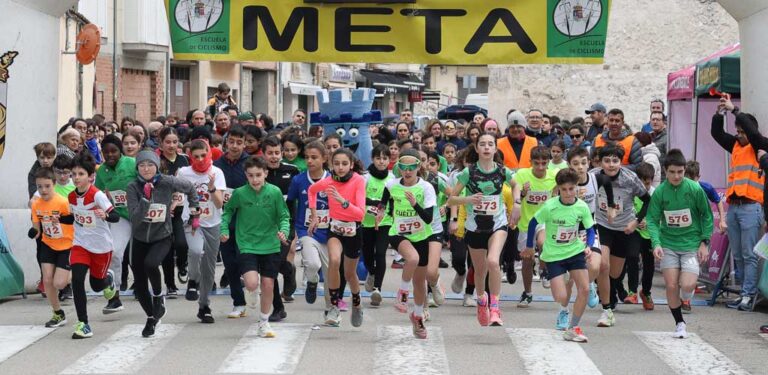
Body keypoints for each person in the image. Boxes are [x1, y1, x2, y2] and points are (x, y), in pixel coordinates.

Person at [127, 150, 199, 337]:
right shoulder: (133, 187)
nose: (146, 169)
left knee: (151, 264)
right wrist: (145, 199)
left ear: (157, 166)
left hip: (162, 236)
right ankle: (151, 317)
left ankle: (159, 296)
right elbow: (134, 219)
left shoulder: (168, 182)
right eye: (142, 165)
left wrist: (194, 208)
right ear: (137, 168)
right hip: (139, 238)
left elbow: (190, 187)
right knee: (140, 286)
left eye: (150, 165)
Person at [447, 133, 516, 326]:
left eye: (490, 144)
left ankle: (494, 307)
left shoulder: (503, 171)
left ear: (495, 149)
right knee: (479, 270)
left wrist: (517, 203)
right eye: (482, 144)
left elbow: (516, 185)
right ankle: (481, 300)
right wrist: (468, 200)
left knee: (493, 261)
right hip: (474, 227)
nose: (486, 147)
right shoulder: (468, 173)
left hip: (498, 224)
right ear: (477, 149)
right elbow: (451, 199)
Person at [221, 156, 290, 338]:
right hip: (247, 243)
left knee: (268, 284)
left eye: (258, 175)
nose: (255, 179)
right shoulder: (240, 193)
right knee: (252, 283)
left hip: (271, 244)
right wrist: (224, 229)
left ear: (266, 173)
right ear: (246, 175)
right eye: (251, 176)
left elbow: (284, 216)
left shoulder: (274, 192)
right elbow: (227, 211)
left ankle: (264, 322)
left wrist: (283, 230)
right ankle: (251, 289)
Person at [647, 149, 713, 339]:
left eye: (680, 172)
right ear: (665, 171)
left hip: (691, 245)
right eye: (672, 172)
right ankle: (679, 323)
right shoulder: (660, 192)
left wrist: (704, 243)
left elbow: (707, 216)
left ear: (685, 171)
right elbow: (652, 219)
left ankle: (687, 297)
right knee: (670, 285)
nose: (676, 176)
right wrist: (656, 243)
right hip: (668, 244)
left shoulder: (694, 189)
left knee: (688, 285)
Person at [525, 168, 596, 342]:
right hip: (554, 256)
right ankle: (564, 293)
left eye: (571, 189)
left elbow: (590, 229)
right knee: (561, 297)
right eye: (563, 189)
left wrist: (588, 246)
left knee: (584, 289)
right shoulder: (550, 206)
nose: (568, 193)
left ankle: (573, 328)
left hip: (575, 252)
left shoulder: (582, 207)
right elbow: (533, 223)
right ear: (558, 189)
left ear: (576, 187)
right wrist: (529, 246)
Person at [376, 148, 437, 338]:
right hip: (399, 233)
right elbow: (383, 202)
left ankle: (417, 317)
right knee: (412, 259)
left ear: (418, 167)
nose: (408, 171)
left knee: (420, 283)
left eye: (412, 167)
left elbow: (428, 219)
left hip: (421, 235)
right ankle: (402, 293)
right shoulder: (391, 185)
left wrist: (414, 205)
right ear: (399, 167)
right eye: (404, 167)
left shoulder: (426, 187)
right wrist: (380, 213)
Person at [712, 97, 764, 311]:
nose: (740, 135)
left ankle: (748, 294)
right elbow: (716, 134)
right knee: (738, 254)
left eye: (743, 131)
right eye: (738, 131)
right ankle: (744, 291)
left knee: (749, 253)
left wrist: (735, 111)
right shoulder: (735, 145)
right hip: (735, 207)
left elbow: (753, 134)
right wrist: (719, 114)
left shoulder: (758, 145)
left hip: (752, 206)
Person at [591, 144, 650, 327]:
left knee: (615, 273)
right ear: (600, 162)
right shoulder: (593, 176)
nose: (611, 165)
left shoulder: (630, 178)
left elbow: (648, 200)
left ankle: (605, 288)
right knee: (603, 265)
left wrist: (636, 221)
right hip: (602, 225)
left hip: (625, 228)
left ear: (620, 162)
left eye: (615, 161)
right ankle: (606, 309)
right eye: (606, 161)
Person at [308, 149, 367, 327]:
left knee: (350, 274)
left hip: (354, 231)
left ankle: (356, 302)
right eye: (336, 164)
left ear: (351, 164)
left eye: (344, 164)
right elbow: (311, 191)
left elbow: (360, 215)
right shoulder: (328, 182)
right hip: (335, 230)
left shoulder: (358, 181)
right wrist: (315, 216)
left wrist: (342, 201)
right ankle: (334, 306)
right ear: (331, 164)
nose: (340, 168)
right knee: (334, 261)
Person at [67, 152, 120, 339]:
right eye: (73, 174)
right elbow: (73, 216)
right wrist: (60, 218)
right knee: (77, 280)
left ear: (90, 176)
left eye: (80, 174)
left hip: (101, 246)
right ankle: (83, 323)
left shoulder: (97, 195)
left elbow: (115, 216)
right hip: (80, 244)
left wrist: (105, 215)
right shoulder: (71, 197)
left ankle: (108, 282)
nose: (76, 178)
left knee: (97, 285)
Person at [178, 139, 226, 323]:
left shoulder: (217, 172)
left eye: (203, 155)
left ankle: (204, 305)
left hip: (212, 222)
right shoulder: (184, 172)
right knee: (196, 250)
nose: (199, 159)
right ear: (190, 156)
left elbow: (219, 203)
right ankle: (192, 280)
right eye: (195, 156)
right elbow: (177, 194)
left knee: (209, 267)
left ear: (210, 153)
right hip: (191, 221)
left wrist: (212, 187)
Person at [511, 146, 557, 306]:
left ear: (548, 163)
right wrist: (523, 193)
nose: (540, 167)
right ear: (530, 162)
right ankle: (528, 292)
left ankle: (544, 270)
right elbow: (515, 195)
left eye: (544, 163)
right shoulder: (522, 175)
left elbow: (559, 193)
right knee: (527, 260)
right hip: (526, 222)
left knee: (543, 243)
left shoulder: (554, 177)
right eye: (536, 163)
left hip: (544, 221)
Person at [95, 135, 136, 314]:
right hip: (121, 216)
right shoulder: (101, 171)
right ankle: (115, 297)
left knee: (140, 258)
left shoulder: (132, 163)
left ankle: (149, 291)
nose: (110, 155)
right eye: (106, 152)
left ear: (121, 151)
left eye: (114, 151)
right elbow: (97, 195)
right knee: (116, 253)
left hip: (142, 215)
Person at [213, 126, 251, 319]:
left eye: (239, 142)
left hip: (247, 220)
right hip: (224, 220)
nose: (235, 146)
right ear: (225, 142)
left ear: (245, 144)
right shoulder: (217, 164)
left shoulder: (250, 164)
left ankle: (253, 288)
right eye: (231, 142)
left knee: (246, 260)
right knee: (230, 263)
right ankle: (238, 302)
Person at [288, 141, 331, 310]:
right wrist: (292, 227)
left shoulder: (332, 179)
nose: (309, 161)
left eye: (314, 157)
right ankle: (312, 281)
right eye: (307, 157)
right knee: (313, 264)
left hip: (329, 232)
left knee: (330, 274)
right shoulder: (299, 180)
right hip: (306, 229)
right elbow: (290, 202)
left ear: (324, 158)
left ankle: (330, 307)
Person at [29, 168, 74, 328]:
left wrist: (61, 220)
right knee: (47, 280)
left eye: (47, 186)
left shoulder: (62, 202)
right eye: (39, 187)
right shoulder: (36, 204)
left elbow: (73, 221)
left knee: (59, 284)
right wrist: (33, 232)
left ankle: (77, 269)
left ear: (54, 184)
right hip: (48, 244)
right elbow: (37, 230)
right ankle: (58, 313)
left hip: (66, 245)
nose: (43, 190)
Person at [263, 136, 300, 321]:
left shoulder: (292, 171)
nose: (274, 157)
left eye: (277, 152)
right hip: (264, 226)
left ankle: (278, 307)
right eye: (270, 153)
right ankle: (288, 271)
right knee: (270, 266)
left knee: (273, 263)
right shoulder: (260, 172)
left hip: (287, 224)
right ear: (264, 154)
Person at [613, 163, 657, 310]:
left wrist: (648, 221)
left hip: (650, 234)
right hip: (634, 232)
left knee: (649, 265)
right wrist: (636, 221)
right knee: (632, 256)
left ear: (652, 180)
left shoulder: (655, 194)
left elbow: (660, 214)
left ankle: (646, 292)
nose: (644, 185)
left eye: (647, 182)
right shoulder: (631, 192)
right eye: (641, 181)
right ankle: (632, 291)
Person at [361, 143, 394, 306]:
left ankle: (377, 289)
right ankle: (371, 272)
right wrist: (374, 203)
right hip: (366, 222)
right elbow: (359, 198)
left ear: (389, 160)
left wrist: (387, 211)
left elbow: (394, 200)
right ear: (372, 159)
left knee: (380, 253)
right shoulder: (365, 178)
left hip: (385, 222)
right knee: (368, 255)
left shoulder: (393, 179)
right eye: (378, 158)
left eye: (385, 158)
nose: (381, 161)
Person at [685, 161, 727, 233]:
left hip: (703, 227)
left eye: (692, 180)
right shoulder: (678, 188)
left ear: (698, 177)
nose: (690, 184)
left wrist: (722, 221)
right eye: (687, 180)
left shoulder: (706, 187)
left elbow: (718, 201)